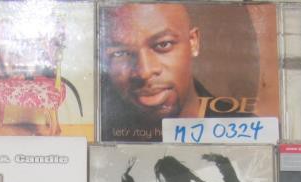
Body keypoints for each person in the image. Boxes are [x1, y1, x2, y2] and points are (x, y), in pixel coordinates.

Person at [99, 3, 260, 140]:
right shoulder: (101, 130)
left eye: (163, 45)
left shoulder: (249, 131)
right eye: (121, 53)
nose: (144, 72)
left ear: (193, 43)